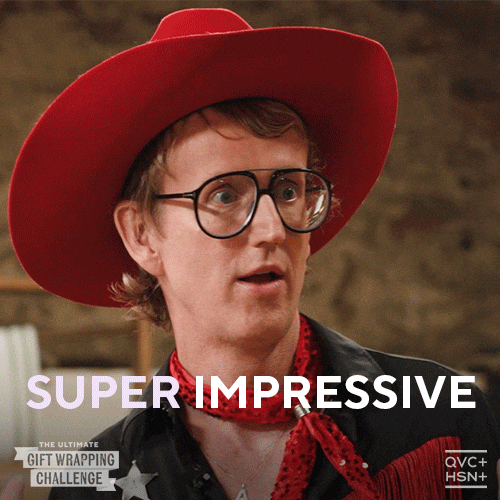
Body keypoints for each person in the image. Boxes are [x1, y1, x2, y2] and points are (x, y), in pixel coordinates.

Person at [8, 8, 500, 500]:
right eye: (224, 195)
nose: (272, 229)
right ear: (142, 235)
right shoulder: (94, 485)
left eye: (288, 191)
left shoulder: (441, 425)